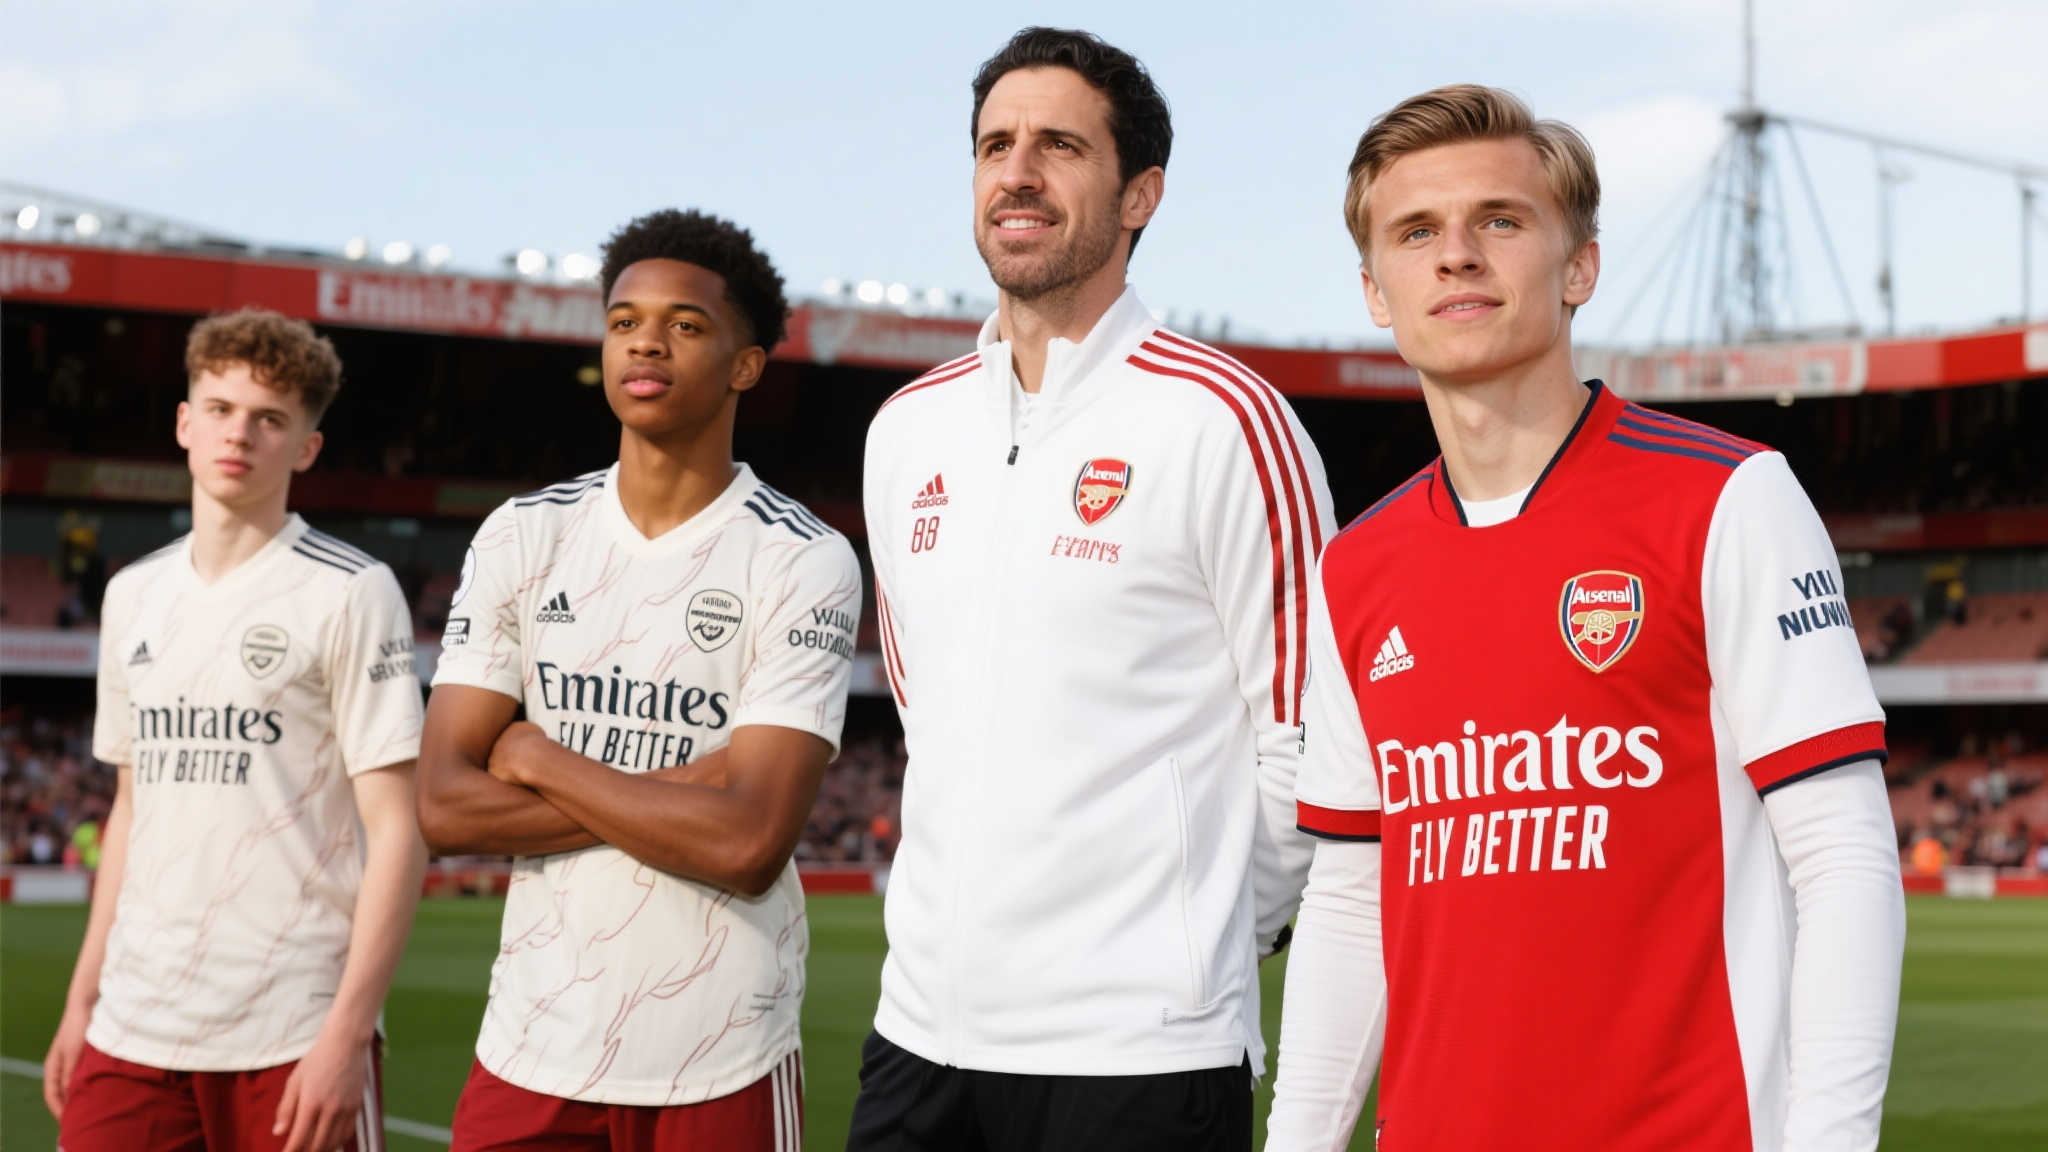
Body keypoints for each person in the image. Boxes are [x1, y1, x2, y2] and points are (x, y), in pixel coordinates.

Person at [1267, 86, 1905, 1151]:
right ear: (1375, 290)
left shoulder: (1727, 498)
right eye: (1415, 232)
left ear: (1579, 269)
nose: (1455, 255)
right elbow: (1348, 896)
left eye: (1499, 220)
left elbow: (1842, 856)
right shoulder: (1356, 567)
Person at [850, 27, 1332, 1151]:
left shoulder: (1226, 420)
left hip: (1139, 1057)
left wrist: (1193, 949)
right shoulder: (905, 429)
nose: (1016, 172)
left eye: (1059, 146)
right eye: (995, 145)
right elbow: (927, 719)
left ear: (1139, 195)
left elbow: (1310, 740)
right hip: (918, 1037)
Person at [416, 208, 859, 1151]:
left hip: (722, 1051)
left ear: (745, 365)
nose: (645, 341)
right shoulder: (525, 534)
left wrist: (539, 757)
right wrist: (691, 787)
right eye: (624, 321)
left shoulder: (803, 559)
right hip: (530, 1045)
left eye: (685, 324)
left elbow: (748, 844)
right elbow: (445, 808)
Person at [44, 308, 427, 1152]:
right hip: (134, 1023)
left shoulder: (352, 591)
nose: (239, 434)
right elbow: (131, 811)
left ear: (307, 448)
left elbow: (399, 829)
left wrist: (347, 1035)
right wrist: (82, 1000)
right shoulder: (132, 595)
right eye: (219, 409)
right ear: (185, 423)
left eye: (269, 418)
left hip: (293, 1026)